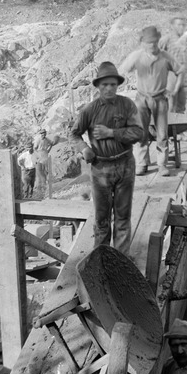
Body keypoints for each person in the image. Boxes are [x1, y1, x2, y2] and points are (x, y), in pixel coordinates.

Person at [69, 61, 144, 255]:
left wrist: (112, 132)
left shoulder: (127, 105)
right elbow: (74, 134)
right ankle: (101, 261)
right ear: (98, 86)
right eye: (104, 85)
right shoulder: (89, 110)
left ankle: (120, 262)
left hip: (125, 165)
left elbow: (138, 133)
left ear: (117, 85)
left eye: (112, 84)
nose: (109, 88)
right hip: (100, 168)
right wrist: (84, 148)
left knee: (122, 217)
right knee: (102, 219)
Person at [118, 26, 183, 177]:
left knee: (162, 134)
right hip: (141, 99)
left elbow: (180, 72)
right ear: (142, 42)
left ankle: (162, 164)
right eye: (148, 43)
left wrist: (172, 90)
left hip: (160, 99)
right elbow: (121, 72)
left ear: (158, 41)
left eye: (154, 42)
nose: (152, 46)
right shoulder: (137, 56)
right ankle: (142, 163)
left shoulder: (166, 57)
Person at [159, 17, 187, 114]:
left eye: (183, 25)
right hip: (171, 75)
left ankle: (179, 127)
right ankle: (168, 125)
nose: (181, 27)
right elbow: (157, 54)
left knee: (181, 105)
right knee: (170, 103)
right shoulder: (166, 39)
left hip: (185, 76)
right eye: (178, 25)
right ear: (172, 26)